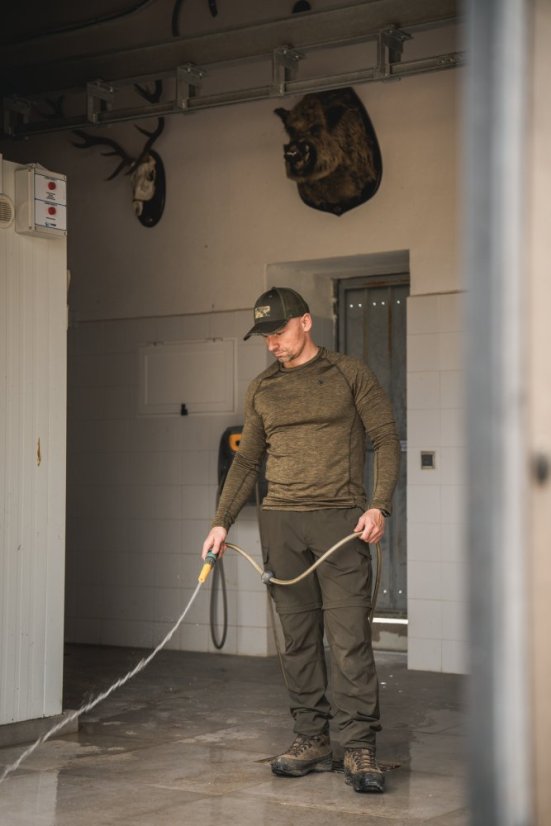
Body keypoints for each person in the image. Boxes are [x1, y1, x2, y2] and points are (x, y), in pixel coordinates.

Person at [201, 286, 400, 794]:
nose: (274, 344)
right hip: (280, 522)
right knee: (296, 640)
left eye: (280, 332)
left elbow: (385, 438)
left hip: (341, 521)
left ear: (306, 323)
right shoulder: (263, 388)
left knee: (350, 639)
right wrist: (221, 521)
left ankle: (358, 746)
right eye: (266, 336)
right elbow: (247, 460)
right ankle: (311, 738)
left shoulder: (349, 374)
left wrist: (379, 505)